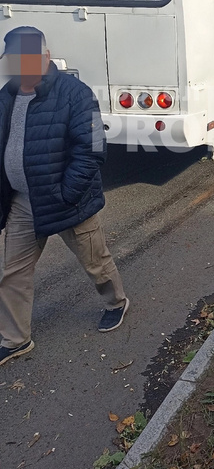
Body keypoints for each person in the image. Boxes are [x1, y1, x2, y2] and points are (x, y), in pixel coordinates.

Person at [0, 27, 128, 367]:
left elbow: (92, 149)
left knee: (96, 262)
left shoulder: (75, 93)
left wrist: (67, 193)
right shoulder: (5, 96)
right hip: (23, 203)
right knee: (12, 273)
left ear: (44, 57)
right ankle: (15, 340)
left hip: (70, 201)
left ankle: (116, 302)